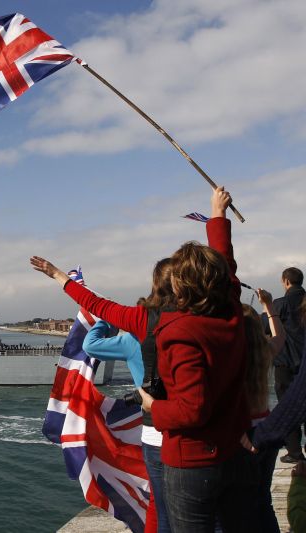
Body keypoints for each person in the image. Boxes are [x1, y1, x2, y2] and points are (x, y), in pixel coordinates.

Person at [31, 187, 255, 532]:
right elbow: (225, 263)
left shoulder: (164, 324)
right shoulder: (229, 311)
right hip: (232, 444)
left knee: (163, 515)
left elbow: (99, 307)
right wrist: (217, 216)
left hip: (183, 448)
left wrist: (152, 405)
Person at [82, 260, 174, 533]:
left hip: (152, 422)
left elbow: (90, 344)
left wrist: (105, 324)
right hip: (186, 417)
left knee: (159, 499)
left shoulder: (131, 340)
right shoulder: (183, 324)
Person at [241, 290, 286, 532]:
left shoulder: (232, 356)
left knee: (240, 502)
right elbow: (280, 336)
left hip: (242, 435)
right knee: (263, 499)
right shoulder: (265, 350)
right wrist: (269, 306)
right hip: (266, 429)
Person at [271, 267, 306, 463]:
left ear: (285, 281)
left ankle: (294, 452)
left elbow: (266, 326)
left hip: (285, 365)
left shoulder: (280, 304)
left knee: (288, 406)